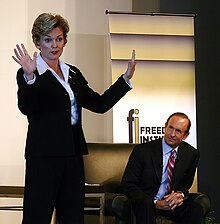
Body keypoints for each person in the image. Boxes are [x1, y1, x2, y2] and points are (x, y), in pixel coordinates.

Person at [12, 13, 136, 224]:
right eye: (48, 39)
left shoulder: (73, 73)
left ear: (65, 41)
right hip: (44, 156)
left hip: (73, 154)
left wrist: (124, 80)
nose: (54, 45)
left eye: (59, 39)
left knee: (73, 217)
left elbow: (99, 104)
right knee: (37, 216)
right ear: (37, 42)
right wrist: (31, 78)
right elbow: (26, 107)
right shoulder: (29, 72)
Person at [121, 112, 204, 224]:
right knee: (146, 204)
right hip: (146, 202)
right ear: (165, 126)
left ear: (185, 136)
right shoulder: (142, 151)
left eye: (178, 131)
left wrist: (180, 195)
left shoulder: (191, 154)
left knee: (195, 209)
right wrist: (155, 202)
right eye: (170, 128)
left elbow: (185, 186)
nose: (172, 134)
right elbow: (128, 185)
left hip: (170, 204)